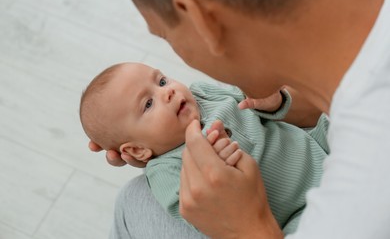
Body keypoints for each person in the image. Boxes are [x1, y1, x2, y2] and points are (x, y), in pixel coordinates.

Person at [89, 0, 390, 238]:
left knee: (135, 201)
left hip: (290, 206)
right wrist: (162, 146)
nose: (167, 92)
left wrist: (246, 228)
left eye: (165, 35)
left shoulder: (360, 210)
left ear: (201, 19)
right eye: (149, 103)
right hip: (307, 154)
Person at [81, 62, 329, 236]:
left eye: (161, 80)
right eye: (148, 104)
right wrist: (219, 172)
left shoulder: (203, 94)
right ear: (137, 150)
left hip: (321, 148)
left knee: (331, 124)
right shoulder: (166, 171)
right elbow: (201, 218)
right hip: (299, 212)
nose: (167, 92)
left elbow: (253, 100)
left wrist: (273, 100)